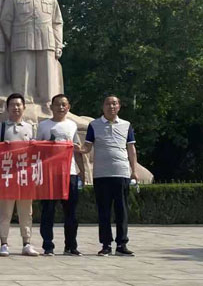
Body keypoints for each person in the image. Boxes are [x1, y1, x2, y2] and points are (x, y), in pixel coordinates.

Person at [81, 95, 137, 257]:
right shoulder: (94, 125)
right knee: (103, 211)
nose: (111, 106)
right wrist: (70, 146)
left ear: (119, 106)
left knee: (122, 210)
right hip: (101, 174)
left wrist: (134, 170)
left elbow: (131, 149)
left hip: (121, 172)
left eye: (114, 104)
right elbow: (86, 147)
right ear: (102, 106)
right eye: (108, 103)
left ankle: (122, 244)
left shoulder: (126, 125)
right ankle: (105, 244)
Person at [0, 0, 64, 103]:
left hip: (47, 41)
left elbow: (57, 22)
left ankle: (48, 105)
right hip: (21, 42)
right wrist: (14, 39)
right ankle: (24, 106)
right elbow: (5, 20)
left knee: (47, 79)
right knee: (23, 78)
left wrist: (58, 45)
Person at [37, 94, 85, 256]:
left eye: (64, 104)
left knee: (71, 212)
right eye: (57, 104)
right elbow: (36, 150)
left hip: (69, 173)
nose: (61, 107)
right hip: (49, 174)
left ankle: (71, 245)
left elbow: (78, 150)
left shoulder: (72, 126)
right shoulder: (43, 126)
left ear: (68, 107)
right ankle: (48, 245)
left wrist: (82, 173)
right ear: (51, 107)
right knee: (48, 211)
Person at [0, 93, 39, 256]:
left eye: (19, 105)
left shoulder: (30, 128)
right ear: (8, 108)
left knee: (26, 210)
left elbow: (38, 150)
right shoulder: (1, 128)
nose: (16, 108)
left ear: (24, 107)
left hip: (25, 175)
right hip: (6, 175)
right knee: (5, 210)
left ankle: (27, 242)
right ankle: (4, 243)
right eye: (12, 105)